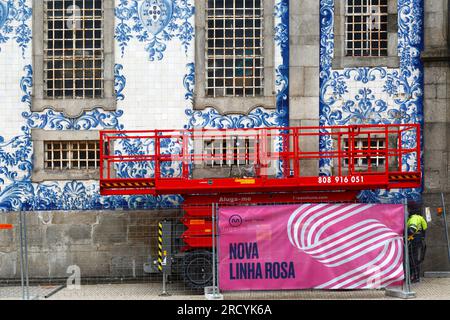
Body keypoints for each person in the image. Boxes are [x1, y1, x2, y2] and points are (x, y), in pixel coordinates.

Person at [407, 209, 428, 283]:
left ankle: (415, 277)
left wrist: (404, 232)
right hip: (419, 240)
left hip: (414, 240)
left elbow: (411, 230)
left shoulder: (414, 218)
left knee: (412, 259)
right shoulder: (420, 218)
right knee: (415, 259)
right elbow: (424, 229)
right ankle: (416, 276)